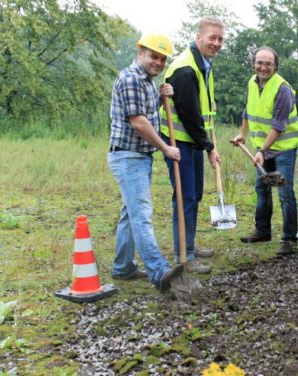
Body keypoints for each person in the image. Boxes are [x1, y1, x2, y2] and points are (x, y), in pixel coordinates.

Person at [108, 32, 184, 292]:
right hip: (129, 155)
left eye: (162, 59)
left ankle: (123, 267)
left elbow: (149, 114)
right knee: (141, 214)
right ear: (140, 52)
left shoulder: (147, 83)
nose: (158, 63)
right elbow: (139, 123)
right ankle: (159, 271)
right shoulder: (131, 79)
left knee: (130, 214)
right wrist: (166, 148)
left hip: (138, 156)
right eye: (154, 56)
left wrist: (162, 98)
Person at [159, 16, 224, 274]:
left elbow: (202, 109)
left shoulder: (204, 64)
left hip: (192, 140)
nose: (217, 43)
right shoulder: (186, 69)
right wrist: (209, 147)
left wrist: (206, 143)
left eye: (220, 39)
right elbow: (189, 114)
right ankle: (183, 254)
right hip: (180, 142)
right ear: (199, 38)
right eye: (212, 38)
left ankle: (191, 246)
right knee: (185, 196)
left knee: (194, 195)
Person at [232, 46, 298, 256]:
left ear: (275, 66)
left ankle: (290, 239)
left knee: (284, 194)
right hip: (264, 150)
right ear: (254, 64)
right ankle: (262, 231)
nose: (263, 67)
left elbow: (278, 126)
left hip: (282, 150)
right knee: (262, 190)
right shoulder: (252, 83)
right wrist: (242, 133)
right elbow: (248, 111)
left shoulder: (282, 89)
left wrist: (262, 150)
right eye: (260, 63)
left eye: (268, 64)